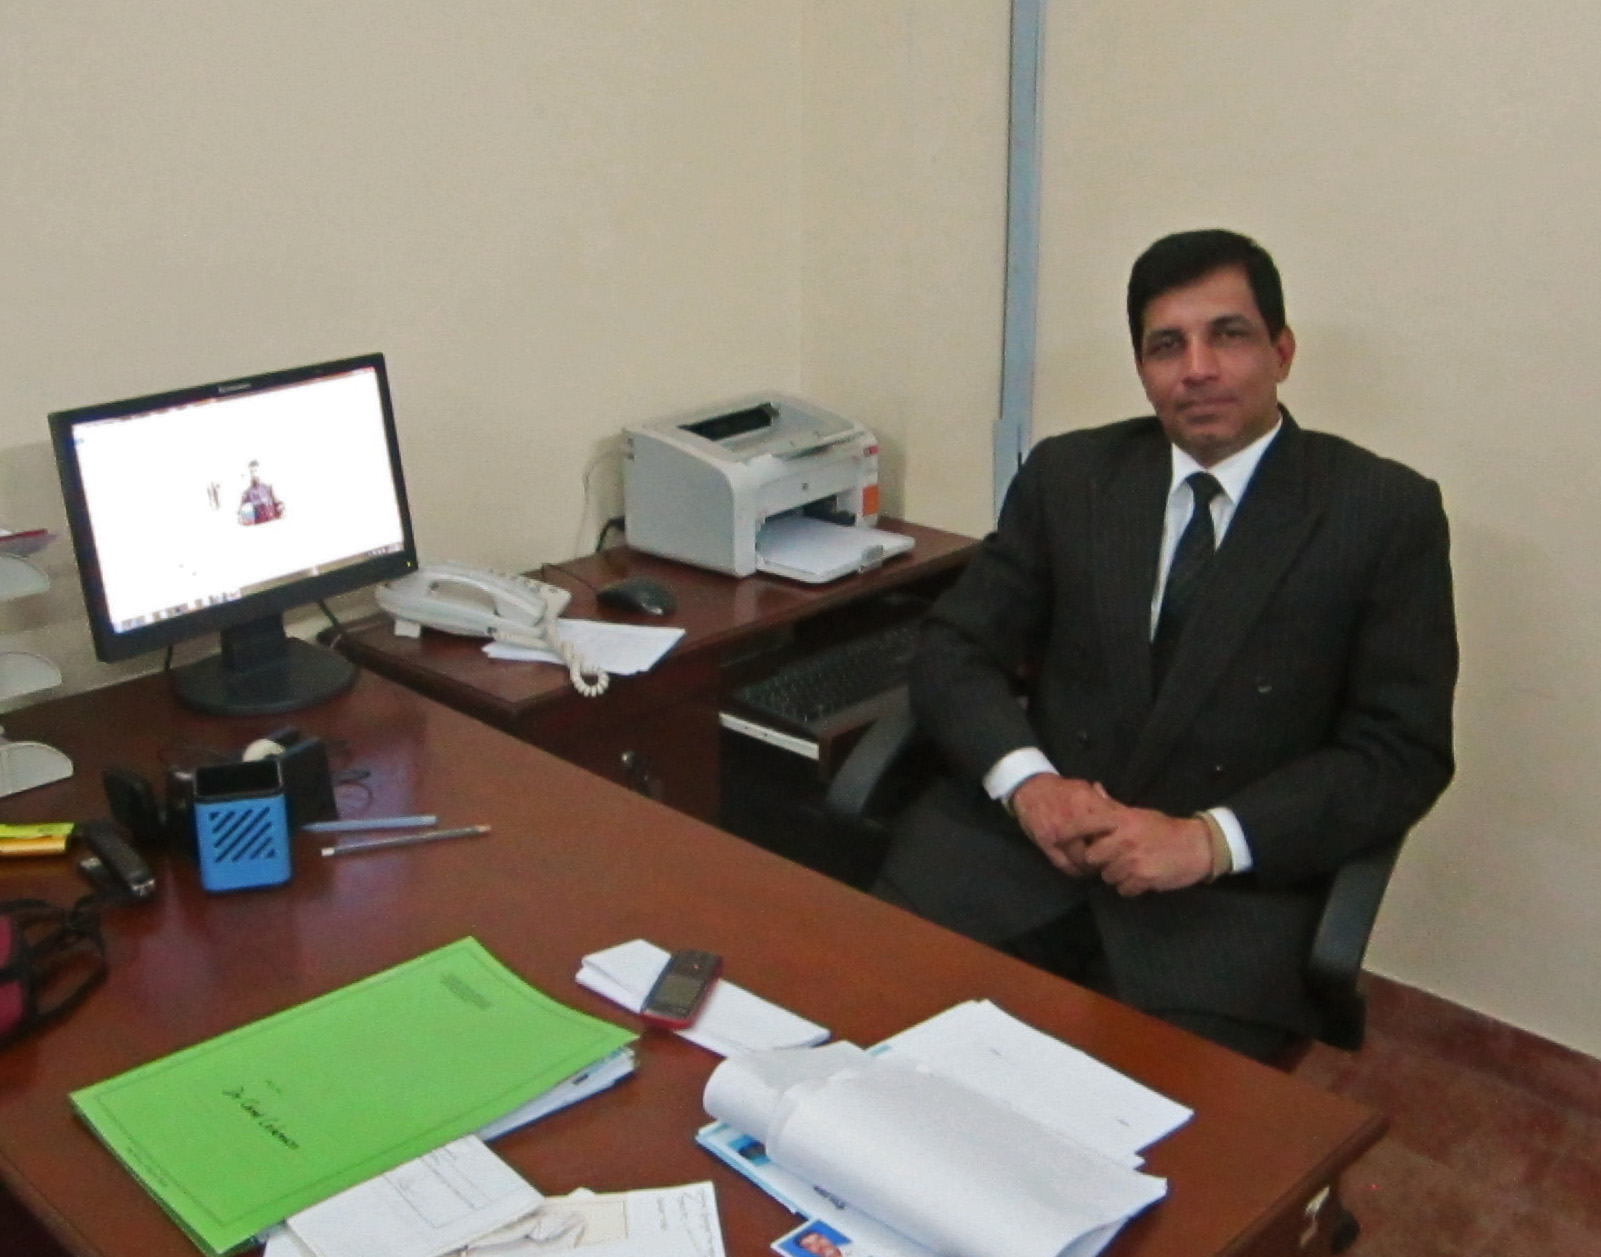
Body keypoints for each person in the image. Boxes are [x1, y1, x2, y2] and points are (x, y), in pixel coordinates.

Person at [874, 229, 1458, 1060]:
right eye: (1166, 345)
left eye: (1228, 335)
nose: (1197, 368)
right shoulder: (1071, 476)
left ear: (1281, 351)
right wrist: (1028, 784)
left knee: (1142, 1133)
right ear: (1143, 368)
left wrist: (1208, 840)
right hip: (1011, 863)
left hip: (1213, 916)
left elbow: (1399, 750)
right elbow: (953, 648)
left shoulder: (1381, 513)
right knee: (867, 1063)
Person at [238, 460, 284, 525]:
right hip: (258, 520)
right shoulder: (247, 492)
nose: (253, 474)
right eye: (251, 472)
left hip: (270, 517)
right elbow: (241, 512)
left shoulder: (268, 486)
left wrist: (280, 506)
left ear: (260, 471)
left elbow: (276, 500)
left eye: (255, 471)